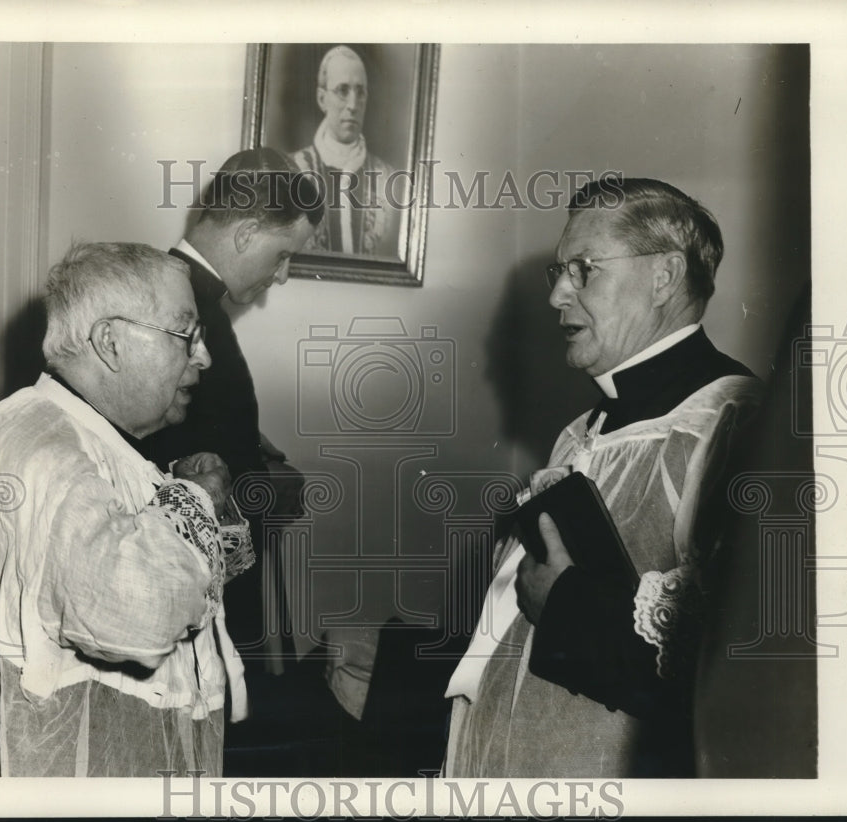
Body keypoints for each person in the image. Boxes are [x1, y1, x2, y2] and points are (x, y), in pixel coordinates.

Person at [443, 178, 763, 777]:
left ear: (664, 276)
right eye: (558, 273)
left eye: (584, 269)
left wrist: (562, 602)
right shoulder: (580, 431)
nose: (558, 295)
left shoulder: (731, 423)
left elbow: (731, 670)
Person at [0, 242, 251, 776]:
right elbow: (140, 615)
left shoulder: (83, 435)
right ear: (110, 342)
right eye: (184, 335)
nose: (203, 357)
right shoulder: (46, 447)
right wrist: (198, 500)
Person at [138, 148, 322, 672]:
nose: (282, 275)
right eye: (283, 254)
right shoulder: (184, 308)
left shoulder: (186, 299)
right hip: (192, 609)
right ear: (245, 234)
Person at [290, 45, 403, 257]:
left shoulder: (388, 179)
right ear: (322, 99)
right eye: (343, 91)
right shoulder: (291, 171)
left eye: (360, 92)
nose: (353, 104)